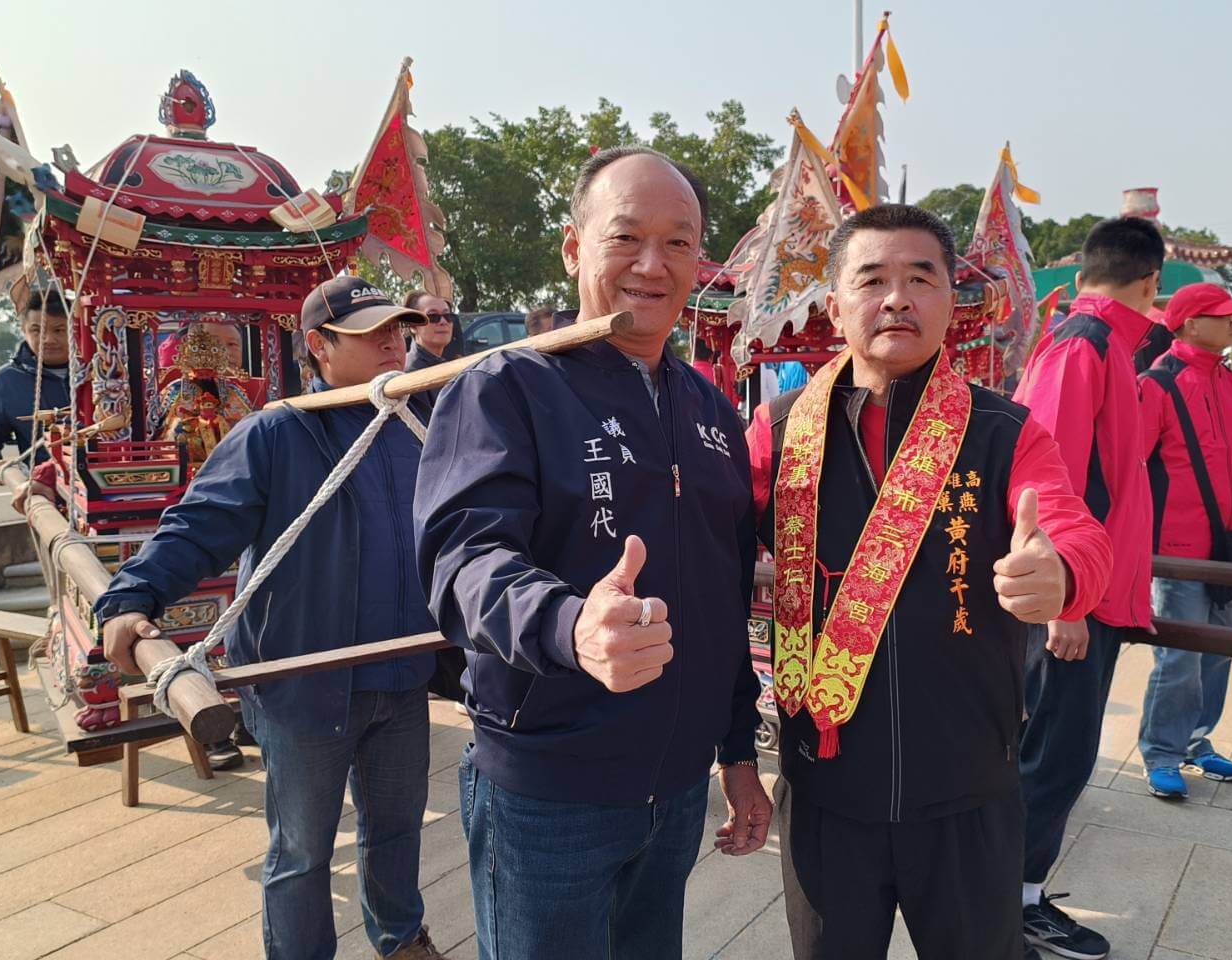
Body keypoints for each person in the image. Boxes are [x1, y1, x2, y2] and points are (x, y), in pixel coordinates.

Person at [416, 145, 771, 960]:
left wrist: (736, 753)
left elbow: (720, 602)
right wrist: (571, 624)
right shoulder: (506, 386)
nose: (653, 265)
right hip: (549, 788)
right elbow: (461, 561)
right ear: (575, 247)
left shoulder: (711, 410)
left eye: (678, 242)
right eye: (626, 238)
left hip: (677, 790)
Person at [744, 204, 1111, 960]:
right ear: (836, 302)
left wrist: (1061, 573)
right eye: (871, 279)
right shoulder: (778, 431)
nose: (897, 299)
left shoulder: (1004, 431)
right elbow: (710, 554)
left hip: (968, 788)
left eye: (921, 278)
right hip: (823, 791)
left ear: (952, 300)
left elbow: (1071, 529)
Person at [96, 276, 446, 960]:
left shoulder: (414, 424)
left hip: (402, 675)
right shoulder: (278, 432)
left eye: (396, 327)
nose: (391, 339)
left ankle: (401, 938)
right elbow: (197, 527)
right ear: (317, 346)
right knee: (303, 848)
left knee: (398, 828)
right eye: (369, 331)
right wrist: (132, 596)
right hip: (304, 683)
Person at [1010, 216, 1164, 960]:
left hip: (1093, 594)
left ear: (1077, 276)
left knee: (1060, 756)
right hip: (1074, 600)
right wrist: (1067, 601)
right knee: (1052, 757)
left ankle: (1015, 896)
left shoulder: (1104, 344)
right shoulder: (1084, 344)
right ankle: (1013, 904)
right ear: (1150, 283)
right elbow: (1048, 479)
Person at [1137, 283, 1232, 800]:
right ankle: (1161, 751)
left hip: (1229, 545)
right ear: (1190, 324)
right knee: (1179, 658)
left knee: (1220, 651)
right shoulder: (1157, 386)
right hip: (1177, 551)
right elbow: (1128, 468)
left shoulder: (1229, 383)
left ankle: (1196, 740)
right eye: (1224, 316)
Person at [0, 291, 72, 510]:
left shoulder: (106, 373)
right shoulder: (5, 381)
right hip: (46, 497)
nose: (48, 339)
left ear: (77, 328)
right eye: (37, 330)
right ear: (23, 330)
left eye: (59, 330)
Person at [402, 290, 457, 421]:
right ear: (413, 326)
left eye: (447, 316)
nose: (443, 321)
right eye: (433, 317)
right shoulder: (411, 374)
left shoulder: (445, 364)